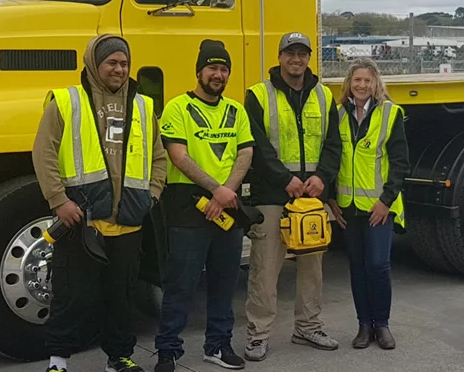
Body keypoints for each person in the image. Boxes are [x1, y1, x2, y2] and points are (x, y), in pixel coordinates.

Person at [33, 34, 168, 372]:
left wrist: (151, 195)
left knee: (121, 297)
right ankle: (58, 361)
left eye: (124, 63)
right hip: (83, 220)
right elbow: (44, 152)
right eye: (112, 62)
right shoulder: (67, 101)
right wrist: (58, 200)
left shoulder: (143, 105)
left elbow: (159, 157)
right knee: (72, 294)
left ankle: (119, 358)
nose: (119, 69)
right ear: (95, 64)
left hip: (129, 221)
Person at [154, 39, 255, 372]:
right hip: (187, 206)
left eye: (224, 69)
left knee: (225, 283)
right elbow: (178, 157)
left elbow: (246, 152)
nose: (218, 74)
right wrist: (217, 190)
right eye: (212, 68)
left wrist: (226, 191)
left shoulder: (236, 110)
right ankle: (168, 351)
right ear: (199, 71)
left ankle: (218, 345)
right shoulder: (177, 107)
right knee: (181, 284)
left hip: (228, 206)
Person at [242, 32, 341, 361]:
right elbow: (257, 145)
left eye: (302, 53)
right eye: (290, 53)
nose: (296, 59)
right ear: (280, 56)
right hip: (272, 195)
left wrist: (321, 179)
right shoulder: (258, 95)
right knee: (265, 268)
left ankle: (308, 327)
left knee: (312, 267)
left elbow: (333, 145)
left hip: (312, 198)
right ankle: (258, 334)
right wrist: (286, 180)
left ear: (309, 57)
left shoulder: (325, 96)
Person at [327, 58, 407, 351]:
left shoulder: (390, 114)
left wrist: (385, 201)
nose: (362, 85)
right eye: (357, 80)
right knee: (358, 267)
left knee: (378, 264)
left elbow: (400, 163)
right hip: (348, 207)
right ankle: (364, 325)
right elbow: (332, 159)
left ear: (376, 84)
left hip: (378, 208)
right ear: (349, 84)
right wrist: (332, 199)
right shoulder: (336, 116)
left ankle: (382, 324)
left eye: (367, 81)